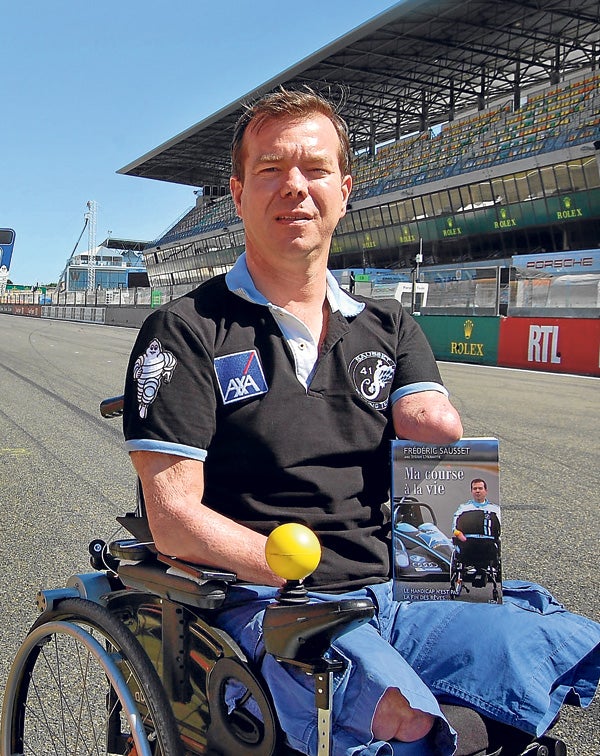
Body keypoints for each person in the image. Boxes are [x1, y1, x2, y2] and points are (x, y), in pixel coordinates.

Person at [123, 87, 600, 756]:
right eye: (271, 170)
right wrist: (281, 568)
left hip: (400, 595)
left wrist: (440, 446)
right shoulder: (183, 330)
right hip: (272, 603)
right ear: (237, 194)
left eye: (315, 170)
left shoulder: (390, 324)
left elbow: (439, 462)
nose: (296, 187)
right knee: (402, 715)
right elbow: (172, 517)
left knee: (552, 647)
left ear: (344, 190)